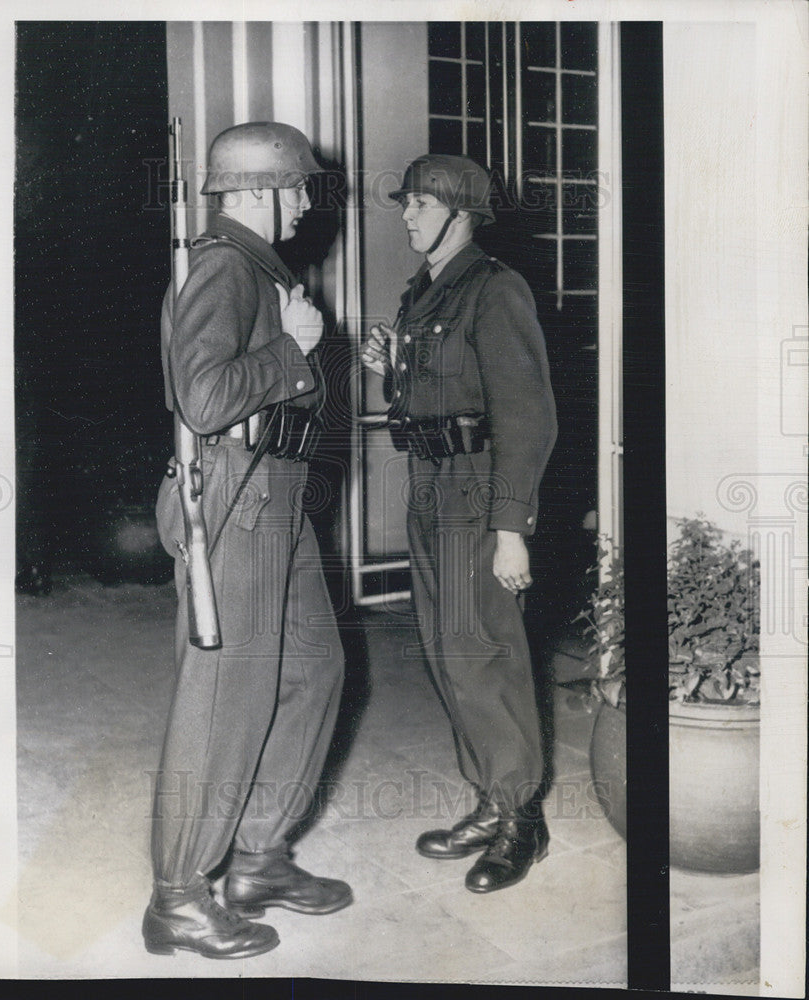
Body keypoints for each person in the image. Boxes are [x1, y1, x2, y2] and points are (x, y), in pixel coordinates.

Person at [144, 122, 351, 960]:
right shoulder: (225, 267)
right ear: (258, 191)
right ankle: (179, 895)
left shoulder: (257, 268)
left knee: (314, 672)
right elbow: (202, 397)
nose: (305, 201)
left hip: (280, 496)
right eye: (297, 186)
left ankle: (258, 859)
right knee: (225, 701)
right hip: (241, 503)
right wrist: (292, 352)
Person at [361, 154, 557, 894]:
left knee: (483, 653)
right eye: (406, 203)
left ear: (460, 212)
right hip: (430, 484)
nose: (406, 215)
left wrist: (511, 524)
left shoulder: (495, 289)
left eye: (418, 203)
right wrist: (391, 370)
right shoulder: (425, 291)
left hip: (477, 491)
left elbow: (525, 415)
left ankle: (521, 820)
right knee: (447, 652)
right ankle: (490, 797)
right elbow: (441, 392)